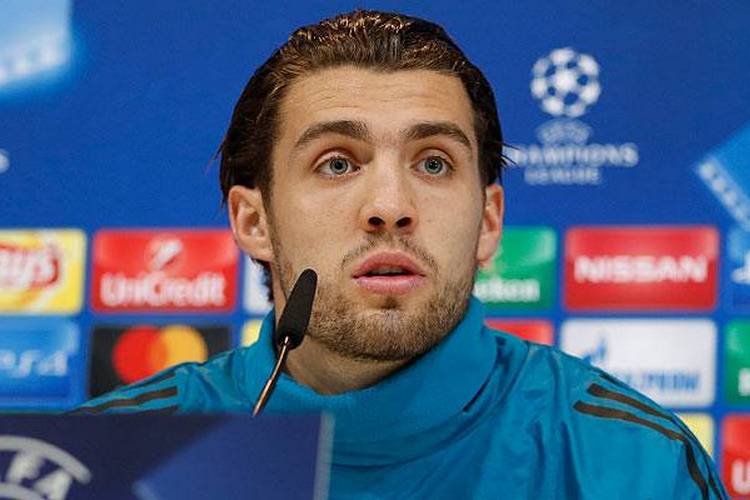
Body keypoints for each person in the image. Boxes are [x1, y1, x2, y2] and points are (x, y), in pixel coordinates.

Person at [74, 10, 727, 499]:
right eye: (337, 163)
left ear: (489, 221)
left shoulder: (635, 463)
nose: (390, 206)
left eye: (433, 162)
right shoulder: (100, 463)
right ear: (254, 220)